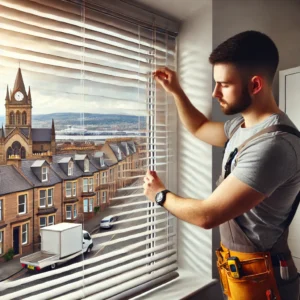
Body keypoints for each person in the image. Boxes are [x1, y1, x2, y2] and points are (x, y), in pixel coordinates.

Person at [143, 30, 300, 300]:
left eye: (224, 84)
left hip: (266, 282)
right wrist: (176, 91)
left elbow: (208, 215)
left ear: (255, 85)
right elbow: (200, 127)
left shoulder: (274, 145)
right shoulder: (242, 126)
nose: (215, 93)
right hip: (242, 275)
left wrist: (159, 195)